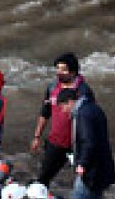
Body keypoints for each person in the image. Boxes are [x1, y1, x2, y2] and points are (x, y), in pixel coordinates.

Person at [31, 53, 95, 186]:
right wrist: (37, 136)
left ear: (73, 72)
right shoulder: (52, 87)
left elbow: (90, 119)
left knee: (87, 179)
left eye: (63, 70)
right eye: (58, 69)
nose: (59, 73)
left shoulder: (83, 92)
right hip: (56, 142)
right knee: (43, 178)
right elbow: (45, 113)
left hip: (76, 144)